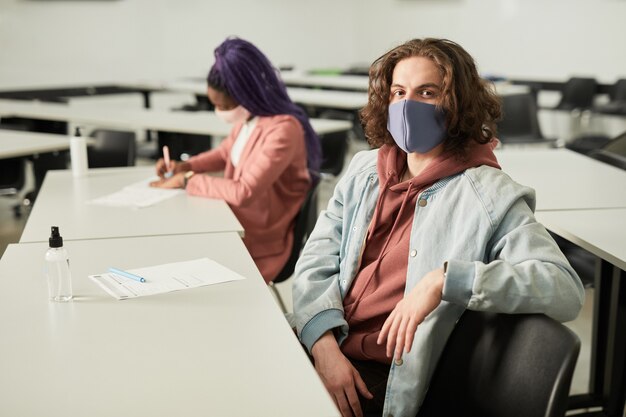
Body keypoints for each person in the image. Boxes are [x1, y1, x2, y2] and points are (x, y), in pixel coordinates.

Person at [291, 38, 585, 417]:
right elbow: (315, 264)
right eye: (399, 92)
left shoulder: (488, 194)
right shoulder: (364, 171)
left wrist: (446, 280)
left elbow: (563, 288)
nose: (407, 105)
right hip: (325, 341)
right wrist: (324, 347)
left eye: (426, 93)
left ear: (456, 104)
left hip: (381, 373)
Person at [151, 37, 321, 283]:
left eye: (224, 105)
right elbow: (224, 153)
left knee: (187, 252)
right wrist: (186, 165)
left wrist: (187, 180)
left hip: (264, 237)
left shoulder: (284, 129)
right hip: (241, 218)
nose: (219, 112)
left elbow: (245, 191)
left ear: (247, 95)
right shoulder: (250, 119)